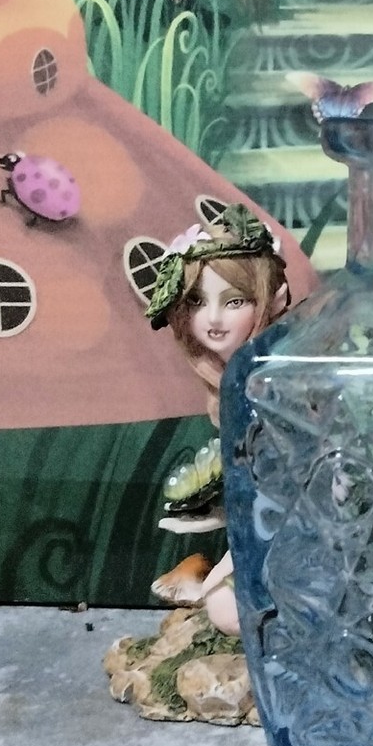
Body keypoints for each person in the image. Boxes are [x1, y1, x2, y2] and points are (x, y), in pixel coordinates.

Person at [145, 203, 291, 634]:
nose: (212, 319)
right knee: (223, 605)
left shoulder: (275, 384)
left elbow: (288, 491)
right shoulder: (231, 383)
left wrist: (232, 559)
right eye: (196, 301)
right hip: (264, 526)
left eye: (234, 301)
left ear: (276, 299)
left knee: (225, 609)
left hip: (302, 531)